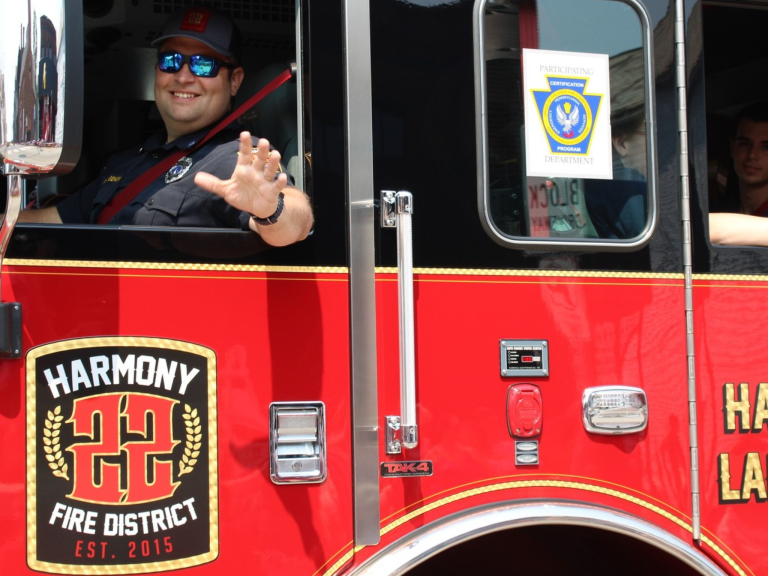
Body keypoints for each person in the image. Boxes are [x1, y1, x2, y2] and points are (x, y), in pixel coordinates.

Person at [18, 5, 313, 247]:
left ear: (234, 81)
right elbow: (55, 218)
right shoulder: (126, 161)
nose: (183, 76)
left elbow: (297, 224)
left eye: (202, 64)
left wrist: (271, 209)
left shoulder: (236, 159)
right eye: (171, 61)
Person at [710, 101, 768, 246]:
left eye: (766, 147)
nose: (752, 155)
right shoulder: (721, 208)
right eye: (745, 144)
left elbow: (718, 231)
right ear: (732, 148)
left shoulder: (716, 218)